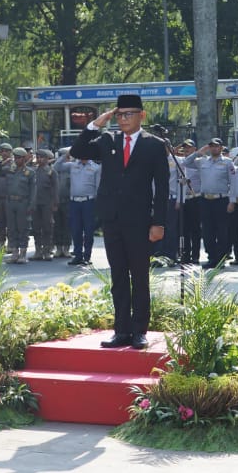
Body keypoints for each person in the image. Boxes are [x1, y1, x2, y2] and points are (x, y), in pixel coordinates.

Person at [70, 95, 168, 350]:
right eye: (120, 114)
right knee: (118, 277)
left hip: (139, 221)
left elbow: (162, 187)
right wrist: (96, 123)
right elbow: (78, 151)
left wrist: (159, 223)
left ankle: (139, 331)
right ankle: (121, 330)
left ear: (142, 116)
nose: (123, 119)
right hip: (112, 219)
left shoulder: (154, 145)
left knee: (139, 276)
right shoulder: (107, 139)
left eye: (129, 114)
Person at [183, 139, 235, 269]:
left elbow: (233, 183)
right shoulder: (202, 161)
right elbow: (186, 162)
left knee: (221, 231)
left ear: (221, 148)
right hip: (205, 200)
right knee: (207, 231)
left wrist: (232, 201)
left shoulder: (228, 162)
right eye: (211, 146)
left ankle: (221, 258)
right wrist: (198, 152)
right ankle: (211, 257)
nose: (214, 149)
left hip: (221, 200)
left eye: (217, 146)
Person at [57, 148, 101, 266]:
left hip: (88, 202)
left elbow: (98, 187)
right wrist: (67, 154)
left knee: (88, 231)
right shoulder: (72, 165)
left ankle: (87, 256)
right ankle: (77, 255)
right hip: (74, 202)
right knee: (75, 230)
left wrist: (97, 206)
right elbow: (57, 167)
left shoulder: (96, 167)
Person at [30, 150, 59, 260]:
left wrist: (55, 203)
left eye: (42, 157)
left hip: (47, 204)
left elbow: (56, 189)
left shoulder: (51, 172)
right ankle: (38, 251)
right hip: (35, 203)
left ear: (47, 159)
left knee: (47, 227)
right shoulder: (33, 171)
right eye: (37, 157)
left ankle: (47, 251)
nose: (39, 159)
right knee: (36, 227)